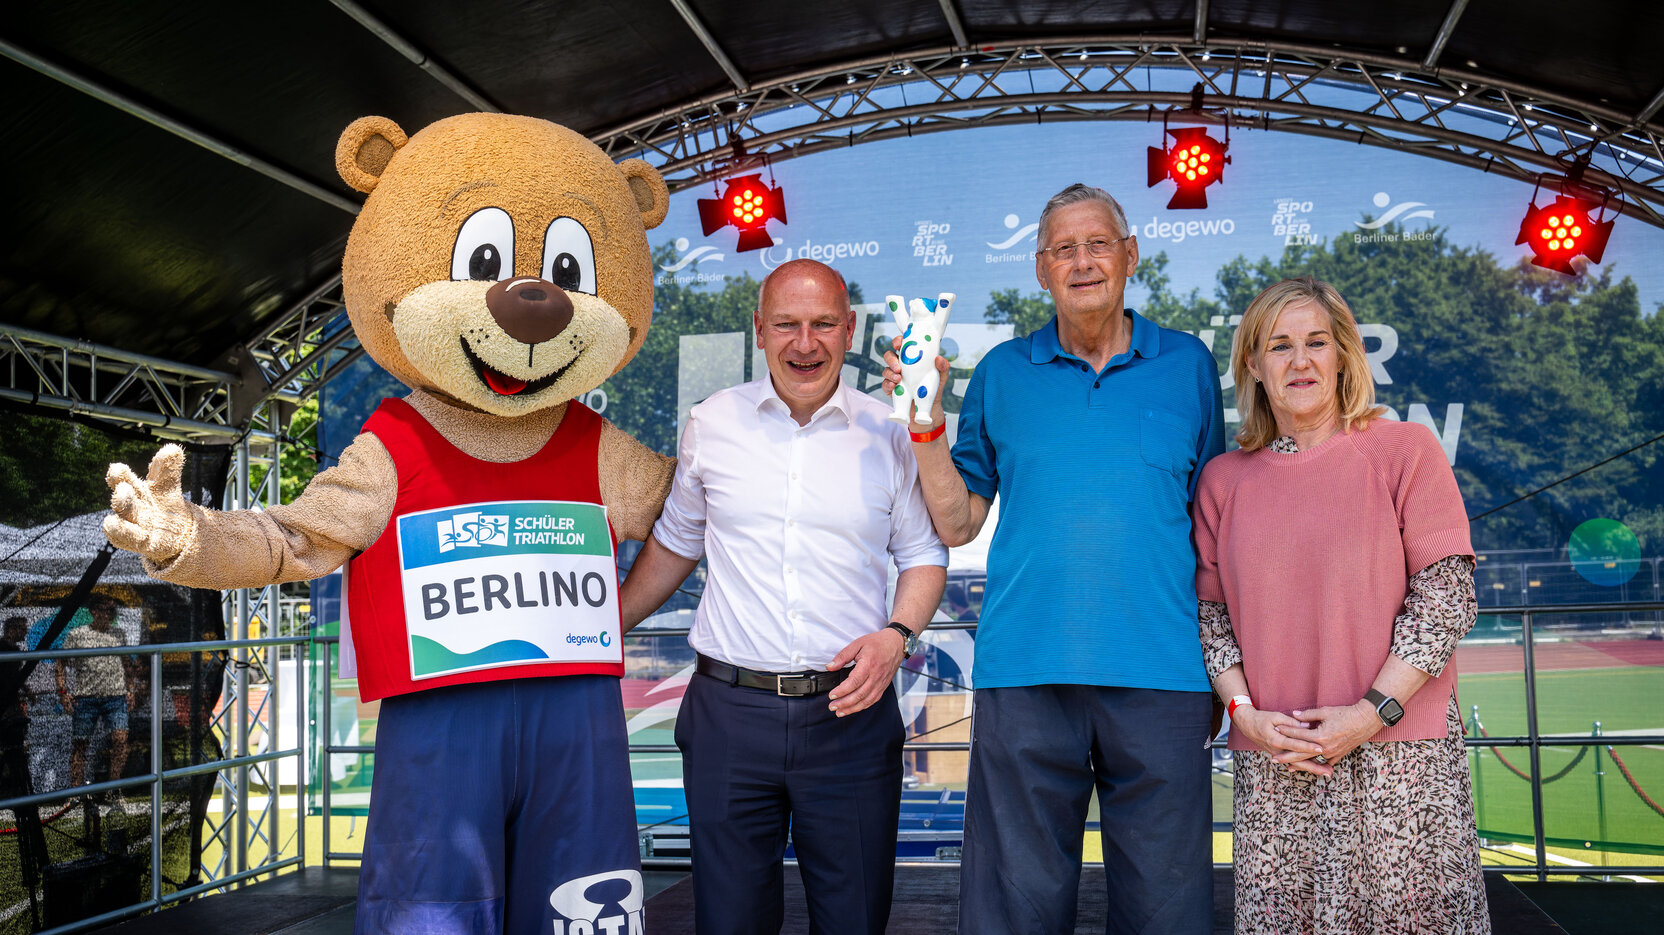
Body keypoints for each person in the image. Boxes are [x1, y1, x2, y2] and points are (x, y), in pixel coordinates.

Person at [886, 183, 1224, 934]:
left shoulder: (1190, 365)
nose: (1082, 261)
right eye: (1063, 249)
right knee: (1014, 912)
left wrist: (1222, 667)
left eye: (1097, 243)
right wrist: (926, 423)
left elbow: (1214, 524)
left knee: (1169, 914)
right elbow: (958, 517)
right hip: (1026, 674)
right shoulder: (1003, 372)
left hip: (1164, 674)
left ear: (1130, 255)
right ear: (1040, 269)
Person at [621, 258, 947, 934]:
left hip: (850, 714)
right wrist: (602, 625)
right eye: (787, 325)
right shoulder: (712, 422)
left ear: (849, 328)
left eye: (824, 323)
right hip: (728, 717)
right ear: (760, 330)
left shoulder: (889, 429)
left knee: (853, 920)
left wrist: (897, 636)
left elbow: (923, 555)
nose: (806, 343)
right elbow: (676, 544)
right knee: (729, 922)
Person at [1191, 276, 1489, 933]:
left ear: (1344, 354)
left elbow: (1445, 596)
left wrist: (1368, 712)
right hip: (1277, 763)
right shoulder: (1222, 480)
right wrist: (1249, 717)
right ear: (1253, 365)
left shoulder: (1403, 449)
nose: (1300, 360)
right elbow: (1212, 619)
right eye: (1280, 345)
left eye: (1317, 342)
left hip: (1401, 760)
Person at [57, 595, 134, 787]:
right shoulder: (77, 635)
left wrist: (130, 689)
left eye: (112, 611)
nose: (110, 615)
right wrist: (63, 693)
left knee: (120, 739)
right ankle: (74, 792)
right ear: (94, 612)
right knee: (80, 744)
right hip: (86, 698)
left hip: (115, 696)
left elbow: (128, 665)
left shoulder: (119, 635)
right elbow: (60, 664)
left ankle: (113, 788)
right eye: (107, 610)